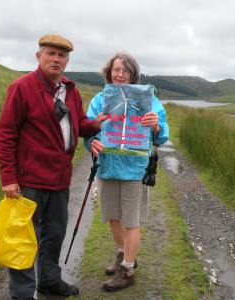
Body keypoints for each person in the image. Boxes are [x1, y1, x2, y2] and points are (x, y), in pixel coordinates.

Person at [0, 34, 107, 300]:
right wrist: (9, 177)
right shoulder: (21, 87)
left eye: (62, 55)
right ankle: (22, 294)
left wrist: (96, 124)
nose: (56, 59)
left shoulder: (70, 89)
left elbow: (78, 123)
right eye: (51, 53)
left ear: (67, 60)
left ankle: (48, 281)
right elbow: (6, 133)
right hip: (28, 181)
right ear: (39, 56)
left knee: (54, 234)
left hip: (59, 179)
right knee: (24, 239)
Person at [85, 52, 169, 291]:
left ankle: (128, 269)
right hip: (107, 167)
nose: (120, 74)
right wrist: (91, 141)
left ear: (133, 74)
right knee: (112, 216)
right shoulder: (100, 99)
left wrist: (155, 125)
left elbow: (162, 136)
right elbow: (89, 128)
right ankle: (124, 256)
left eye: (125, 70)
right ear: (109, 72)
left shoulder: (148, 99)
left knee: (131, 221)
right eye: (116, 70)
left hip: (134, 169)